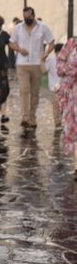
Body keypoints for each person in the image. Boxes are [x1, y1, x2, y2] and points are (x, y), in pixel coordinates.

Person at [9, 7, 55, 129]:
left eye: (28, 17)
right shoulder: (18, 28)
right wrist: (19, 49)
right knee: (24, 90)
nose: (26, 19)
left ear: (33, 15)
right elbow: (11, 42)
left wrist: (46, 53)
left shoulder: (43, 27)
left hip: (36, 64)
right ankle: (24, 117)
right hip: (22, 64)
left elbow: (51, 42)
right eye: (24, 17)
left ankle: (32, 117)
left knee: (35, 93)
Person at [57, 39, 77, 175]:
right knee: (74, 128)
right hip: (72, 93)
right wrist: (72, 70)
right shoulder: (71, 44)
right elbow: (59, 65)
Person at [44, 43, 64, 128]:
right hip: (54, 87)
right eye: (58, 53)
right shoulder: (51, 59)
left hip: (64, 87)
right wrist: (42, 61)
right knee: (56, 105)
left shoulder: (67, 59)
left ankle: (63, 122)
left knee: (63, 105)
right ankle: (58, 123)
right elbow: (44, 71)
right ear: (55, 52)